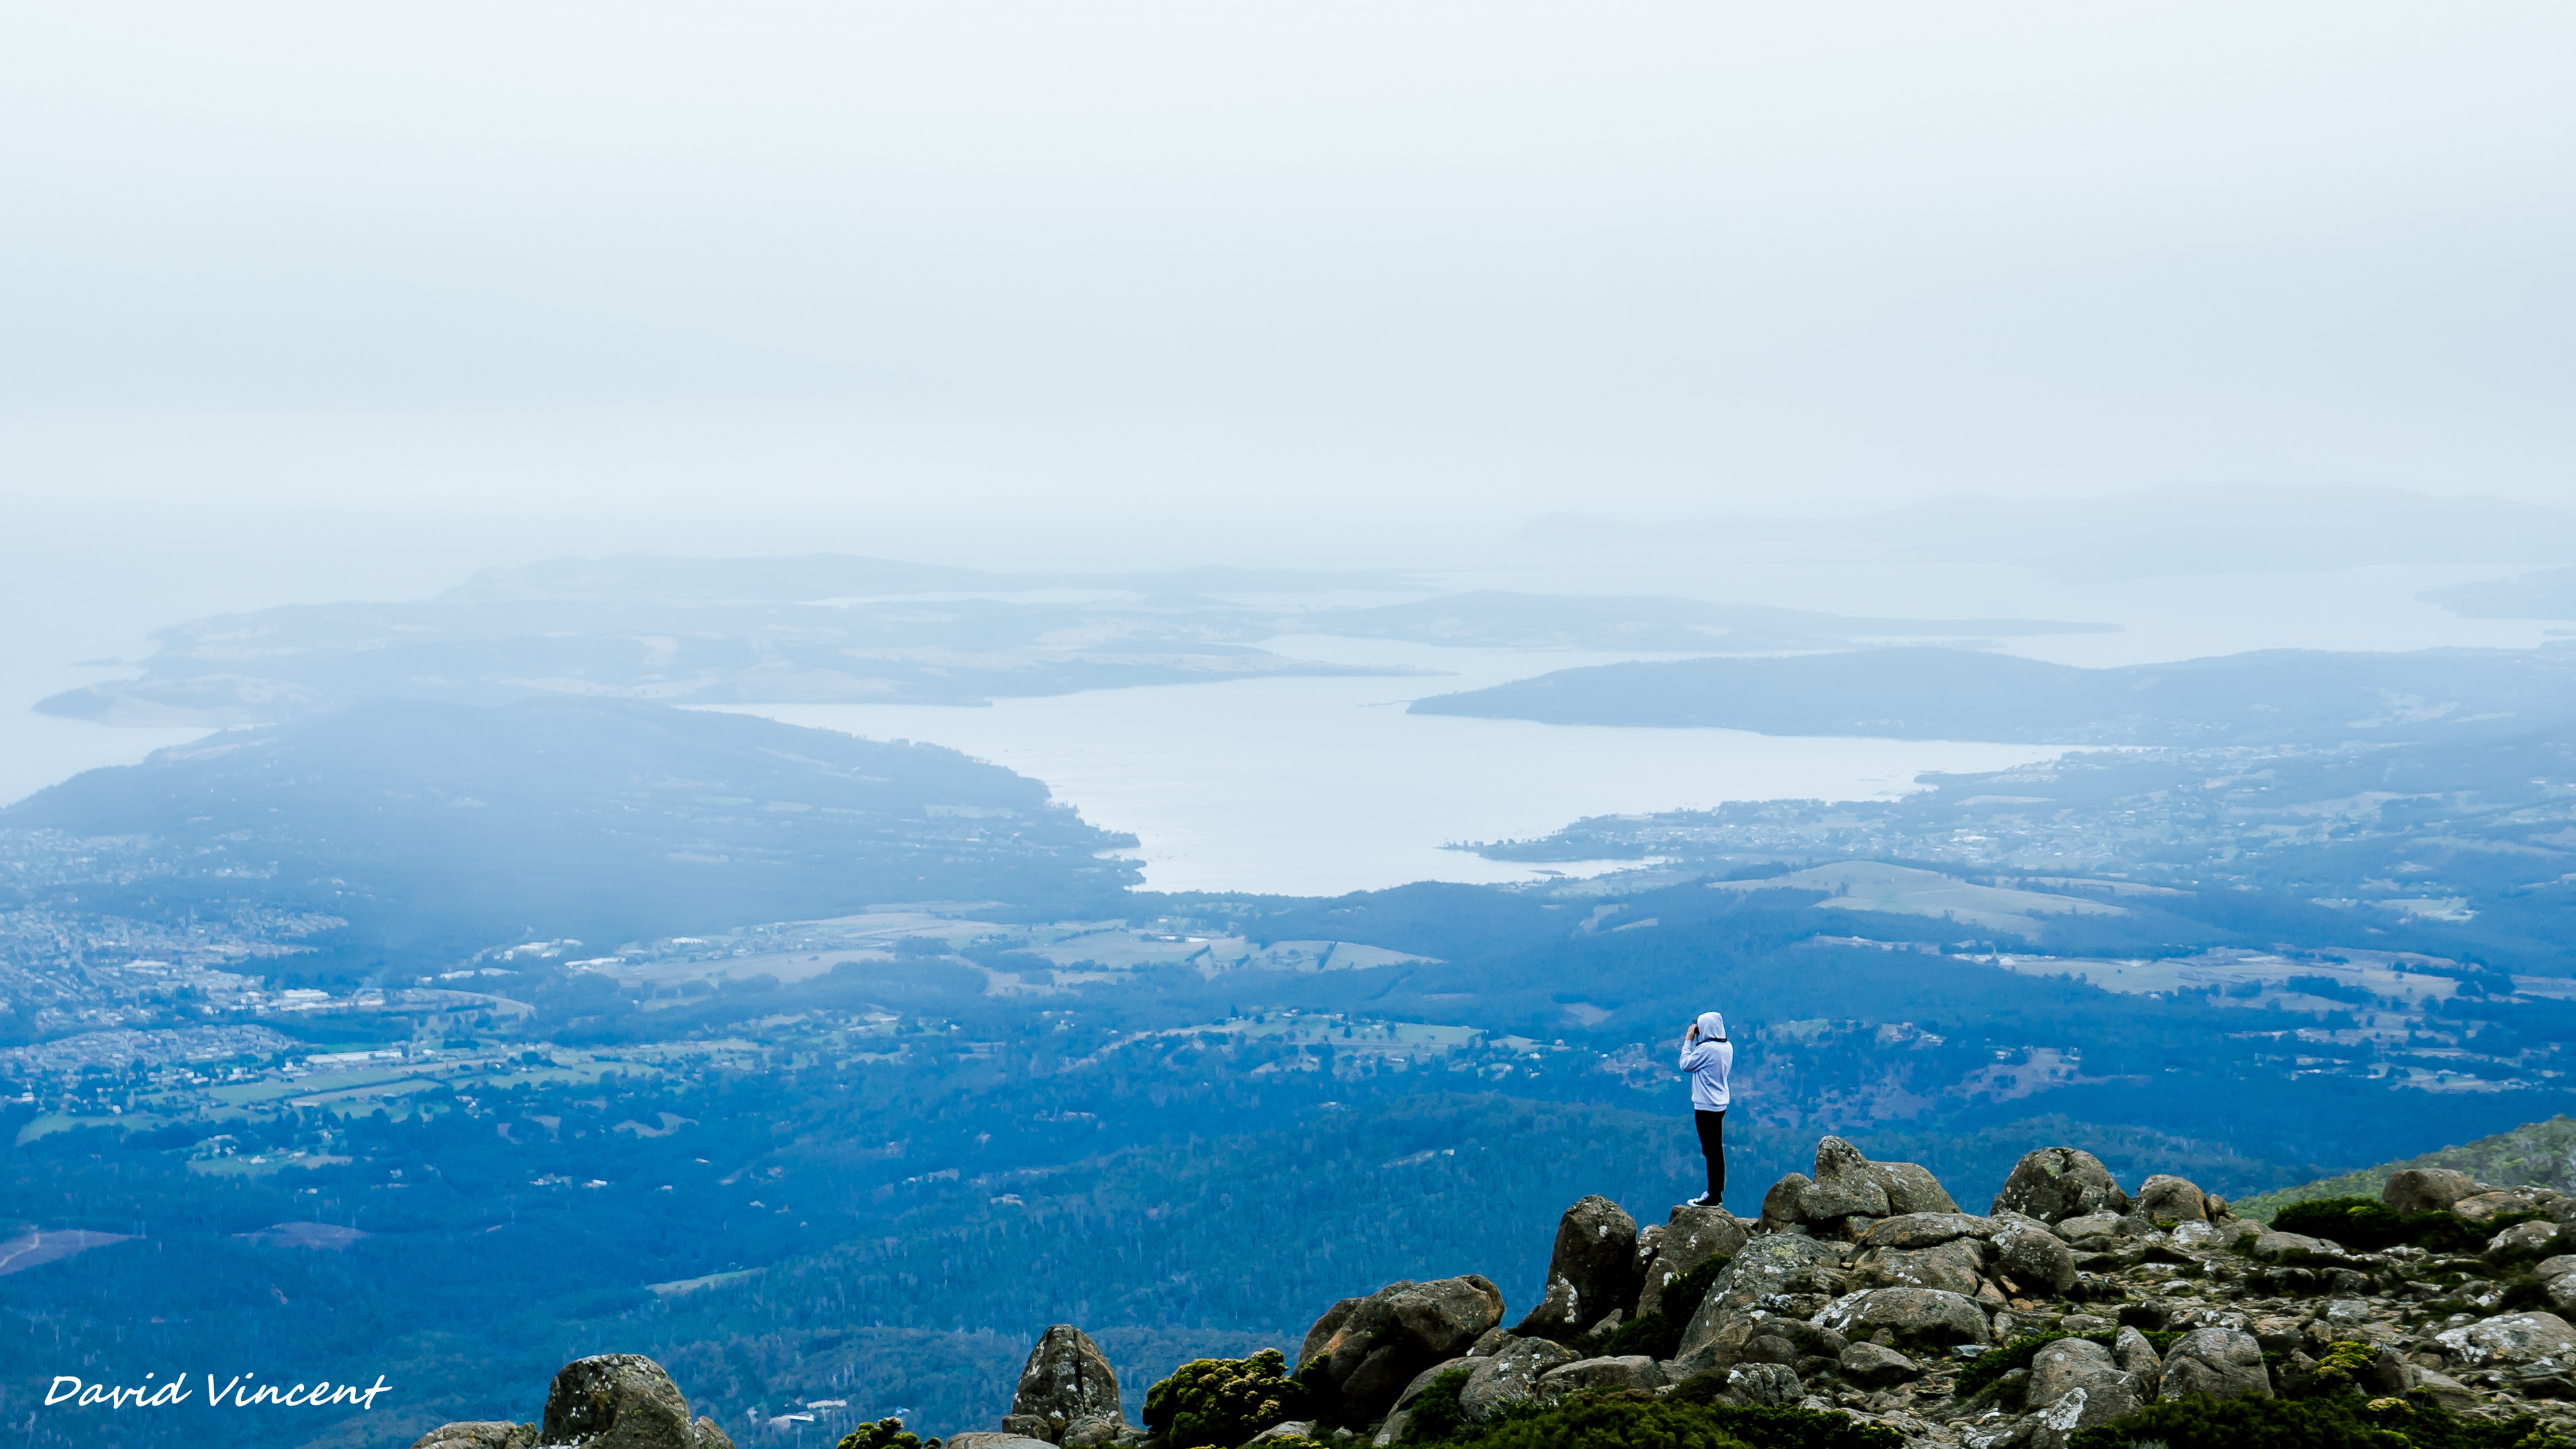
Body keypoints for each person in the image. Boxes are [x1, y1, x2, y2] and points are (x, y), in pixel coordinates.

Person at [1678, 1010, 1732, 1210]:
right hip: (1719, 1104)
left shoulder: (1707, 1050)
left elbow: (1685, 1065)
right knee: (1716, 1150)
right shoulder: (1726, 1047)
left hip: (1705, 1106)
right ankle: (1715, 1191)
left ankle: (1713, 1196)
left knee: (1710, 1151)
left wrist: (1688, 1041)